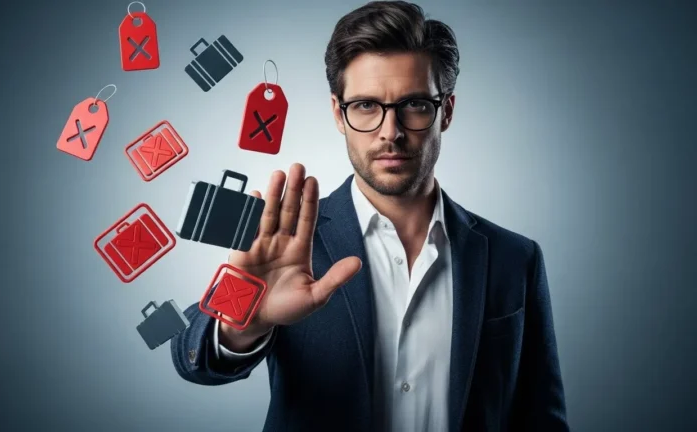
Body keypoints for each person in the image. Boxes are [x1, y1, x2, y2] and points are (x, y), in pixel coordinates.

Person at [170, 1, 569, 430]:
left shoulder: (515, 258)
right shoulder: (288, 242)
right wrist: (244, 320)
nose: (390, 132)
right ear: (337, 113)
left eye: (414, 104)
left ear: (446, 111)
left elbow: (541, 418)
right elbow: (190, 353)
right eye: (365, 105)